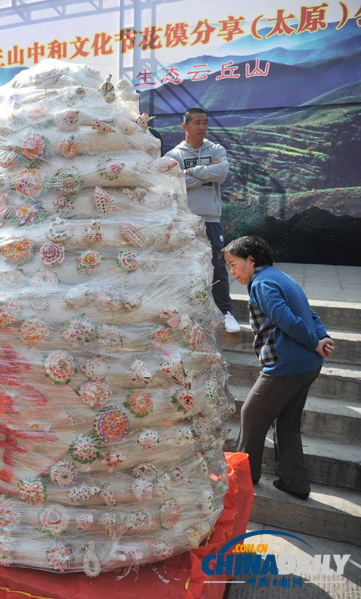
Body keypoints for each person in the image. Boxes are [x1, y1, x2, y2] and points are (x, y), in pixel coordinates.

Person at [222, 236, 334, 501]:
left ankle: (243, 481)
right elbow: (310, 313)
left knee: (251, 416)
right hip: (307, 365)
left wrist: (314, 341)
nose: (232, 272)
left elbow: (286, 319)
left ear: (251, 259)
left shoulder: (261, 283)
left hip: (287, 365)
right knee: (287, 424)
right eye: (228, 266)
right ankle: (294, 483)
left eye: (234, 264)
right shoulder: (280, 277)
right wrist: (321, 337)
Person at [165, 107, 239, 333]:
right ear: (185, 126)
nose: (202, 127)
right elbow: (173, 184)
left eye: (205, 122)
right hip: (184, 220)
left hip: (210, 218)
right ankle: (186, 310)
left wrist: (191, 172)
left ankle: (225, 312)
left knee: (217, 265)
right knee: (184, 265)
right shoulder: (173, 156)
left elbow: (222, 172)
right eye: (197, 123)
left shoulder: (216, 148)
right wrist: (207, 173)